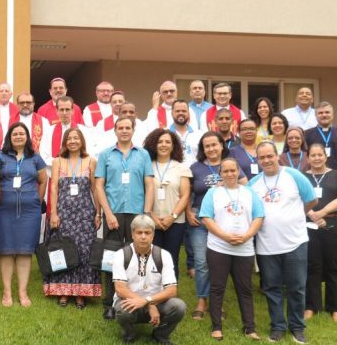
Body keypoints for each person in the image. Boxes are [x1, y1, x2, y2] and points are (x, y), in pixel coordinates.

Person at [249, 141, 317, 344]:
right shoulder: (253, 185)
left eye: (270, 156)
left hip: (295, 242)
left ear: (277, 155)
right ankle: (277, 326)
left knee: (296, 287)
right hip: (266, 246)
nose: (267, 160)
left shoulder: (294, 176)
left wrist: (296, 216)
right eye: (262, 157)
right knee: (272, 288)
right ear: (258, 160)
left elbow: (311, 200)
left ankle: (297, 327)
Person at [198, 157, 266, 340]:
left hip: (244, 249)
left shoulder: (249, 193)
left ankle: (250, 328)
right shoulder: (213, 193)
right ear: (220, 173)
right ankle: (216, 327)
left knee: (245, 289)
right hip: (218, 247)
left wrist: (247, 236)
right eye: (225, 171)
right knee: (217, 287)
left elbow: (259, 217)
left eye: (232, 170)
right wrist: (225, 236)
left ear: (238, 172)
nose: (229, 174)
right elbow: (206, 218)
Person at [93, 116, 154, 320]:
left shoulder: (143, 155)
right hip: (114, 213)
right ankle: (110, 303)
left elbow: (149, 184)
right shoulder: (105, 155)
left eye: (128, 127)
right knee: (111, 260)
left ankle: (138, 299)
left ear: (133, 130)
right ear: (115, 130)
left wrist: (146, 213)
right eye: (121, 128)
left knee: (138, 258)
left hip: (137, 213)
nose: (124, 131)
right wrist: (107, 213)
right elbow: (99, 186)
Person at [0, 122, 47, 308]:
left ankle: (22, 292)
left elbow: (43, 180)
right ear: (9, 136)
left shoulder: (35, 158)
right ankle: (7, 292)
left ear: (27, 137)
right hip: (4, 211)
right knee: (5, 251)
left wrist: (36, 201)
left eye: (22, 134)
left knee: (24, 252)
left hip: (30, 212)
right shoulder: (0, 157)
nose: (18, 137)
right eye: (15, 134)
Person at [185, 131, 238, 320]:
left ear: (222, 145)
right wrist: (188, 212)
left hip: (225, 219)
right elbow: (187, 193)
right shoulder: (195, 167)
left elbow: (245, 187)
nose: (211, 149)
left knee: (219, 263)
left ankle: (218, 302)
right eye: (206, 146)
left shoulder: (231, 165)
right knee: (201, 261)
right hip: (199, 219)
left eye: (214, 144)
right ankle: (202, 300)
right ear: (202, 149)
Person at [111, 215, 186, 345]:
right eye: (139, 232)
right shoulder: (120, 255)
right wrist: (149, 305)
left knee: (179, 306)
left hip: (157, 303)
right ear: (132, 234)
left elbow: (172, 290)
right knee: (123, 310)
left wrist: (148, 301)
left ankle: (160, 335)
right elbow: (120, 289)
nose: (143, 236)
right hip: (131, 303)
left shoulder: (164, 255)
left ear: (153, 235)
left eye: (147, 233)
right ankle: (129, 336)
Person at [47, 128, 99, 307]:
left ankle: (81, 293)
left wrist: (98, 213)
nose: (73, 141)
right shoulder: (57, 161)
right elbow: (54, 188)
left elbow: (95, 189)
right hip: (64, 213)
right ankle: (64, 291)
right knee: (64, 250)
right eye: (69, 139)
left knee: (84, 250)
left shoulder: (91, 161)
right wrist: (53, 213)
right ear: (65, 142)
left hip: (85, 213)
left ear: (82, 141)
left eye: (76, 138)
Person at [302, 143, 337, 322]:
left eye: (319, 155)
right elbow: (296, 198)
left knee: (333, 266)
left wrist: (322, 214)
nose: (316, 158)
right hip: (308, 225)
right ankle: (311, 306)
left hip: (333, 224)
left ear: (325, 156)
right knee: (312, 266)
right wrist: (312, 214)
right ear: (308, 157)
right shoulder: (302, 176)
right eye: (312, 155)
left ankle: (335, 307)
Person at [144, 128, 191, 279]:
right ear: (153, 144)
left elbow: (185, 196)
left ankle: (170, 297)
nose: (163, 145)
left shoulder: (181, 167)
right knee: (153, 260)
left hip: (176, 221)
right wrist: (151, 216)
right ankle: (154, 296)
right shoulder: (146, 165)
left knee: (171, 260)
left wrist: (173, 216)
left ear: (173, 145)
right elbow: (142, 193)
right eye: (160, 141)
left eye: (167, 142)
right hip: (151, 221)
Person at [304, 102, 337, 170]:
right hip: (313, 175)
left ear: (332, 115)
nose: (324, 115)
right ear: (315, 116)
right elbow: (304, 157)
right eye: (320, 113)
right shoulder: (306, 134)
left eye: (327, 112)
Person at [168, 99, 202, 166]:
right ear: (172, 113)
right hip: (173, 173)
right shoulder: (165, 134)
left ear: (188, 114)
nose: (181, 113)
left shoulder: (199, 134)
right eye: (177, 111)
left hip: (194, 174)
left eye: (184, 111)